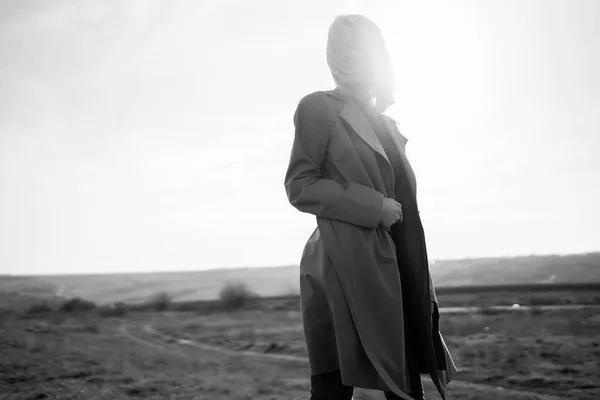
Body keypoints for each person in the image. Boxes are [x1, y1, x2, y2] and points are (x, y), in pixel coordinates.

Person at [284, 14, 458, 400]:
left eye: (366, 48)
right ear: (335, 57)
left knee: (407, 381)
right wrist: (373, 206)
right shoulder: (318, 108)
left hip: (400, 265)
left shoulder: (389, 126)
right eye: (344, 49)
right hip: (344, 268)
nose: (353, 57)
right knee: (333, 389)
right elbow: (299, 185)